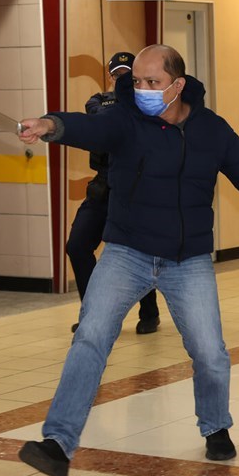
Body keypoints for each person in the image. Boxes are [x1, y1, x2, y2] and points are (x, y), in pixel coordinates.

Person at [15, 44, 239, 476]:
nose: (143, 89)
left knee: (210, 352)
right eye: (137, 81)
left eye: (153, 82)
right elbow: (91, 129)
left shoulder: (211, 130)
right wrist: (52, 125)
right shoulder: (126, 120)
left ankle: (216, 427)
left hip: (186, 260)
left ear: (178, 85)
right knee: (90, 337)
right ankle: (58, 442)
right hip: (126, 252)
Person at [66, 51, 160, 335]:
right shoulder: (98, 101)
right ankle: (93, 314)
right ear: (111, 77)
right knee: (77, 246)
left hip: (135, 187)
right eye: (117, 74)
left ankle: (149, 312)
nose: (121, 79)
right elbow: (95, 112)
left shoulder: (148, 106)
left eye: (127, 75)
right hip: (103, 185)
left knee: (137, 251)